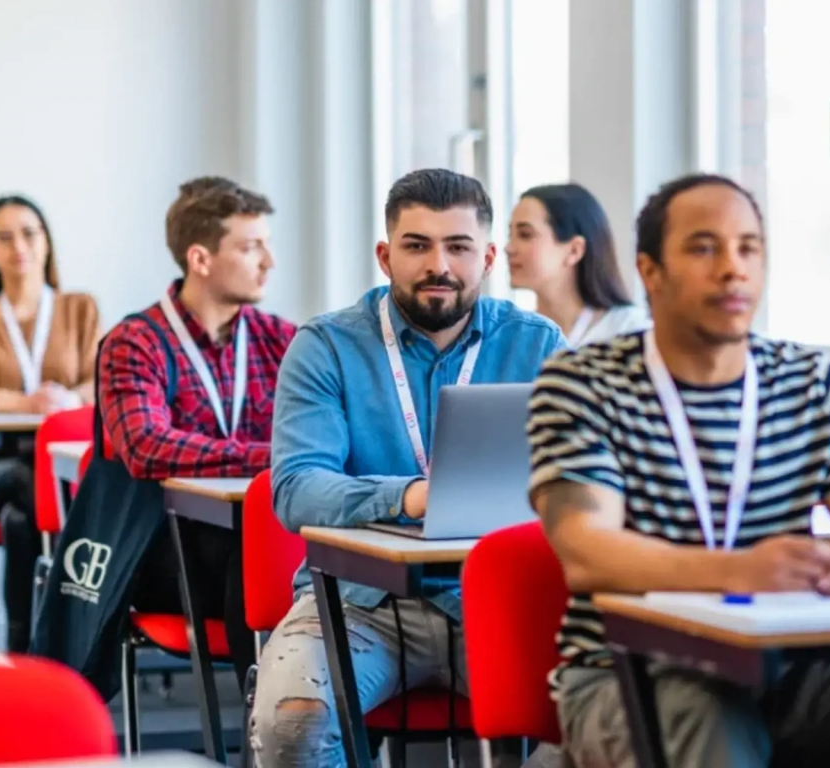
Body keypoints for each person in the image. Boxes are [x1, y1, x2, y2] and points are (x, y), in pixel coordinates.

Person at [527, 173, 830, 768]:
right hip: (625, 671)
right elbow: (587, 552)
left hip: (785, 664)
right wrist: (741, 570)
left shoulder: (810, 383)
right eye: (704, 248)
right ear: (650, 272)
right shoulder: (582, 384)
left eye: (748, 247)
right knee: (706, 705)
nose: (733, 269)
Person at [251, 168, 567, 766]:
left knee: (607, 710)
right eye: (417, 246)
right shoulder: (327, 347)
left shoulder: (539, 345)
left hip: (500, 600)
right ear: (384, 255)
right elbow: (296, 488)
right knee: (294, 719)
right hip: (358, 604)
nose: (438, 265)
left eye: (458, 247)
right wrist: (413, 496)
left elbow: (582, 480)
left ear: (489, 256)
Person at [97, 176, 297, 690]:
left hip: (252, 531)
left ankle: (304, 718)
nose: (268, 262)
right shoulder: (133, 342)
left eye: (267, 246)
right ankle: (266, 723)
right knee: (250, 559)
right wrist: (272, 456)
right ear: (200, 259)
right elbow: (146, 447)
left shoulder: (284, 340)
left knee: (304, 558)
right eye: (251, 248)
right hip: (160, 543)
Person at [0, 194, 101, 652]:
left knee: (20, 519)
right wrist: (25, 402)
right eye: (4, 236)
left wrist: (69, 398)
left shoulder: (80, 310)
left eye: (29, 233)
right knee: (19, 478)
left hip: (55, 470)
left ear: (47, 242)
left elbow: (101, 381)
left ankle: (25, 653)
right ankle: (70, 633)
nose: (19, 246)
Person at [507, 182, 648, 346]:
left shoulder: (629, 329)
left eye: (525, 235)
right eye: (510, 235)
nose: (509, 248)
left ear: (574, 250)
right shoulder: (515, 335)